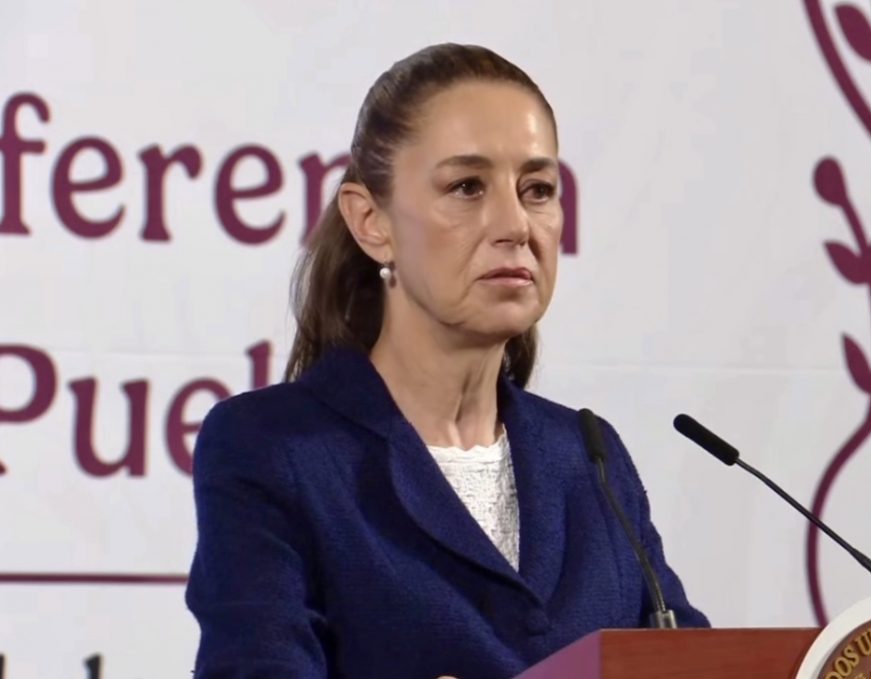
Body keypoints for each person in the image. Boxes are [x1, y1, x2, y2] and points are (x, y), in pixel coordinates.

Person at [185, 43, 708, 679]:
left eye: (538, 189)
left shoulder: (591, 458)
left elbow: (694, 663)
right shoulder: (273, 448)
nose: (516, 225)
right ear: (371, 221)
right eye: (466, 187)